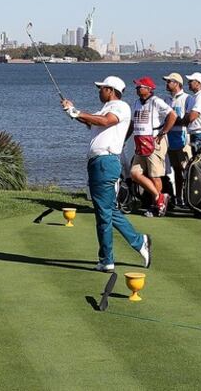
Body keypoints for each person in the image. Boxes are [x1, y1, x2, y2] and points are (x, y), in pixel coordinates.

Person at [60, 76, 152, 272]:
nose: (99, 91)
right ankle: (138, 241)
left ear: (111, 90)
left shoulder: (120, 107)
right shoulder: (104, 108)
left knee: (103, 213)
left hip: (106, 162)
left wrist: (76, 112)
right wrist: (72, 111)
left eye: (101, 88)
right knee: (108, 210)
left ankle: (107, 259)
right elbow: (92, 122)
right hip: (97, 162)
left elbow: (105, 121)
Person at [126, 76, 177, 217]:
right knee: (135, 173)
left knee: (155, 175)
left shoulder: (156, 101)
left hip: (154, 142)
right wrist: (125, 138)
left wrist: (163, 132)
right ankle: (159, 197)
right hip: (140, 143)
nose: (137, 89)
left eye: (140, 86)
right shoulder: (136, 103)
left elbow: (172, 115)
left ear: (148, 89)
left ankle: (157, 205)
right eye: (137, 86)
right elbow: (132, 123)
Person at [162, 73, 190, 208]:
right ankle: (176, 197)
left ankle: (184, 197)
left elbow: (186, 120)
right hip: (168, 139)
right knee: (172, 170)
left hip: (181, 139)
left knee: (183, 170)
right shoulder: (166, 99)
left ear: (177, 83)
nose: (167, 84)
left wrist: (172, 121)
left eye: (169, 82)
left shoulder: (187, 98)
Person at [180, 72, 201, 152]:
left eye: (191, 81)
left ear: (198, 83)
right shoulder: (194, 97)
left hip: (200, 134)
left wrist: (187, 118)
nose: (188, 83)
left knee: (199, 161)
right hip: (193, 133)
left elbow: (191, 117)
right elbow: (187, 117)